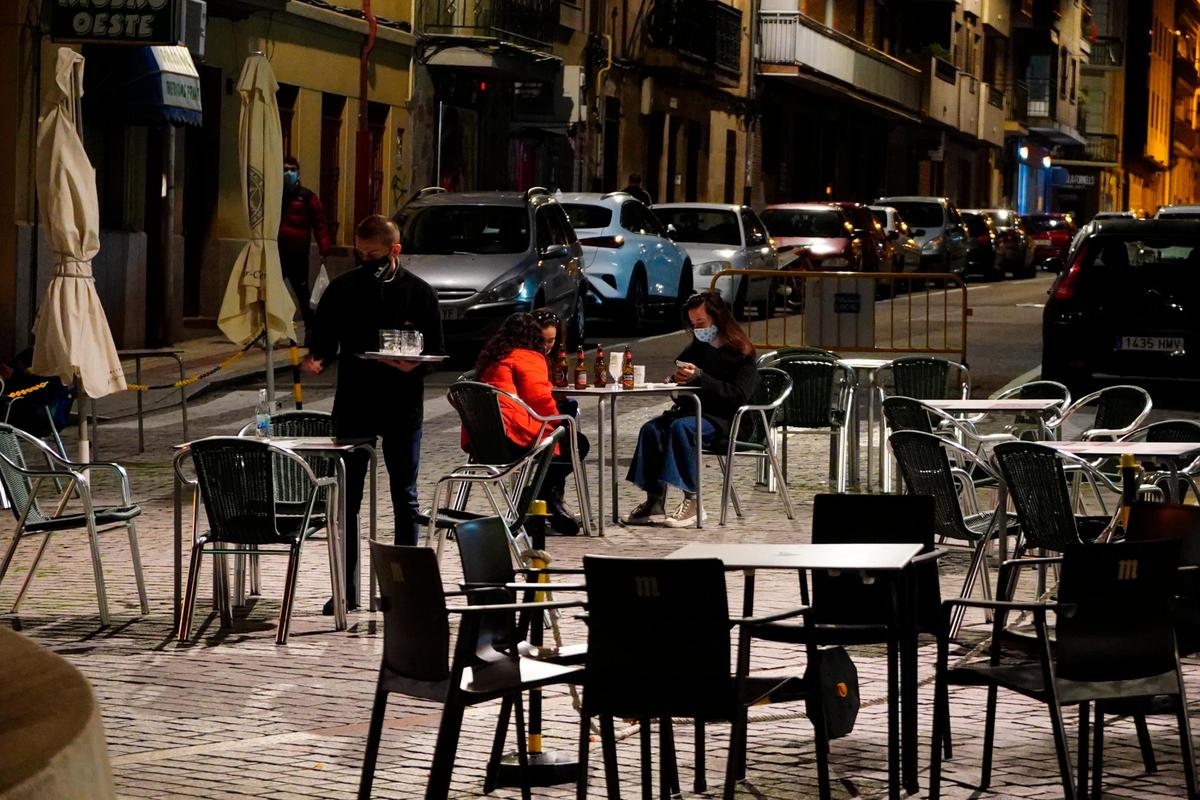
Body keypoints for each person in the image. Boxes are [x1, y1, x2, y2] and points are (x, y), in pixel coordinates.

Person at [303, 215, 443, 613]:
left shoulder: (419, 293)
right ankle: (345, 589)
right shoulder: (343, 289)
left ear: (394, 251)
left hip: (401, 405)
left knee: (405, 498)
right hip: (355, 403)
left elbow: (435, 348)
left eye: (375, 255)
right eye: (361, 255)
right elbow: (323, 340)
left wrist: (416, 365)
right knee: (347, 500)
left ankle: (404, 589)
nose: (367, 261)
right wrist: (318, 359)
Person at [622, 291, 758, 527]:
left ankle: (693, 499)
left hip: (726, 418)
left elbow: (737, 395)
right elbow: (683, 370)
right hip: (694, 411)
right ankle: (654, 499)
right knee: (651, 429)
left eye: (701, 323)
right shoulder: (699, 345)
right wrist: (676, 380)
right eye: (693, 324)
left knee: (681, 428)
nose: (697, 328)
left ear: (718, 319)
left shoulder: (741, 353)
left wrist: (701, 377)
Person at [470, 313, 589, 535]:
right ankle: (535, 498)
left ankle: (544, 501)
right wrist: (561, 420)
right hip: (511, 439)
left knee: (562, 438)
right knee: (576, 441)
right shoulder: (528, 357)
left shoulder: (495, 356)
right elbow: (540, 399)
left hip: (481, 440)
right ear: (533, 337)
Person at [278, 156, 332, 342]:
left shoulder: (307, 197)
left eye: (292, 169)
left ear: (298, 173)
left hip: (298, 253)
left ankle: (311, 331)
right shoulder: (275, 195)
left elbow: (320, 224)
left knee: (302, 293)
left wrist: (324, 249)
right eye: (285, 169)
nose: (288, 173)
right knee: (272, 293)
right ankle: (272, 332)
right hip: (277, 253)